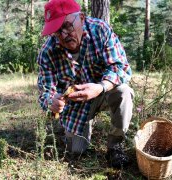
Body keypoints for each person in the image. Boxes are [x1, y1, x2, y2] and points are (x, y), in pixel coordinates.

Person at [37, 0, 134, 168]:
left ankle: (115, 146)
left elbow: (121, 67)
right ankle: (73, 129)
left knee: (124, 91)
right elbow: (45, 91)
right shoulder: (48, 52)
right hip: (75, 106)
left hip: (103, 92)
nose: (64, 34)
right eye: (57, 31)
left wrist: (100, 87)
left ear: (81, 18)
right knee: (76, 152)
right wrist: (51, 101)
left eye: (67, 26)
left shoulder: (100, 30)